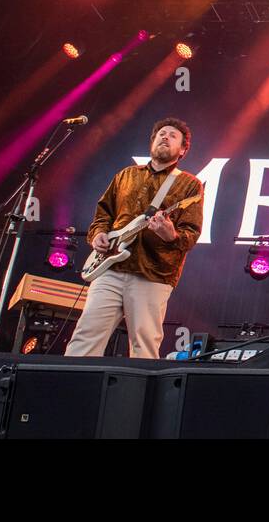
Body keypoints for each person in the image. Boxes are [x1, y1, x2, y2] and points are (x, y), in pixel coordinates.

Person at [65, 118, 203, 359]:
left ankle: (138, 396)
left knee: (144, 345)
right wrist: (98, 234)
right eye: (161, 133)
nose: (165, 137)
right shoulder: (126, 175)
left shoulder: (189, 185)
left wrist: (171, 234)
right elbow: (103, 213)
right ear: (152, 141)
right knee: (85, 336)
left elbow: (190, 234)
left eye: (172, 135)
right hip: (110, 267)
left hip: (153, 273)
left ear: (182, 150)